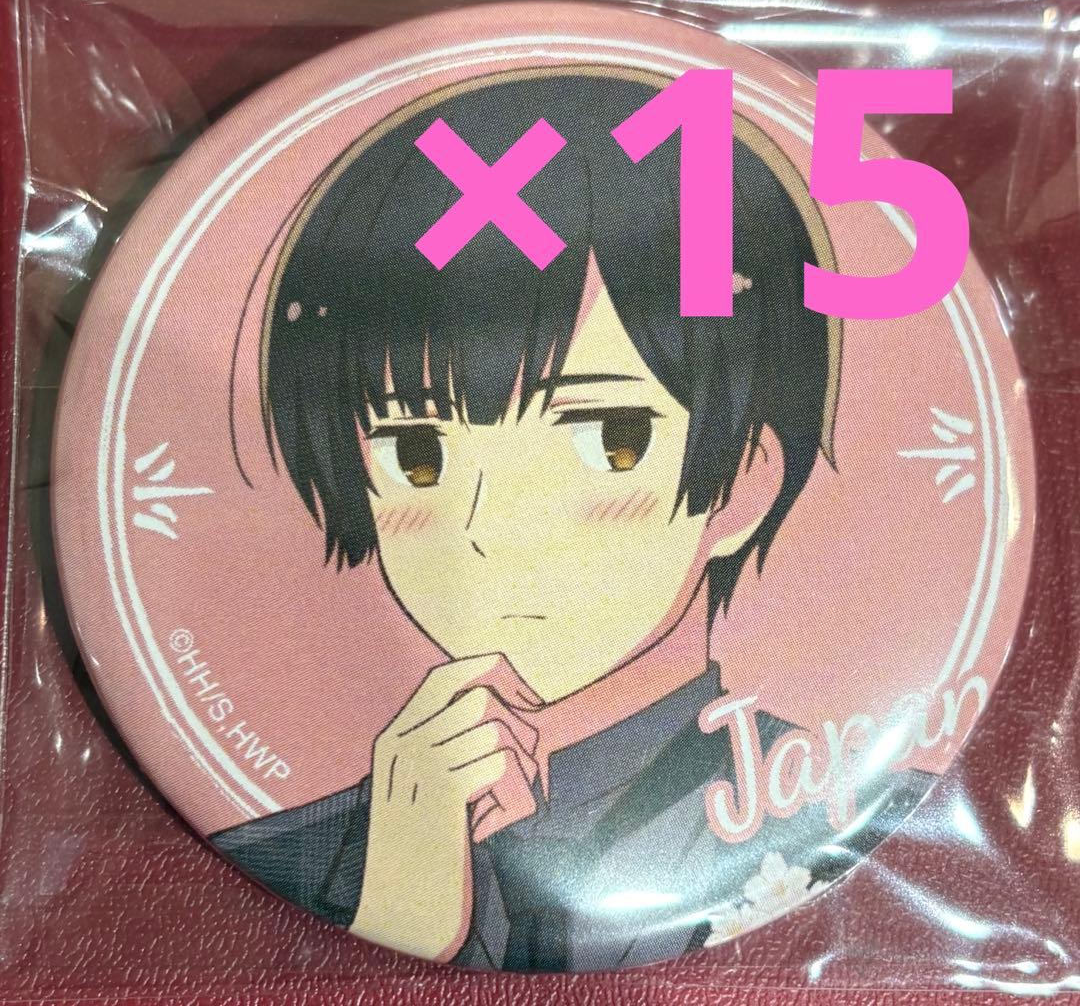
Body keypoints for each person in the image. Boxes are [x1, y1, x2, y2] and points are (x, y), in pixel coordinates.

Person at [213, 70, 930, 971]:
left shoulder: (860, 816)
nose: (489, 525)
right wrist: (394, 908)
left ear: (744, 483)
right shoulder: (284, 856)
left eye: (610, 438)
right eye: (416, 453)